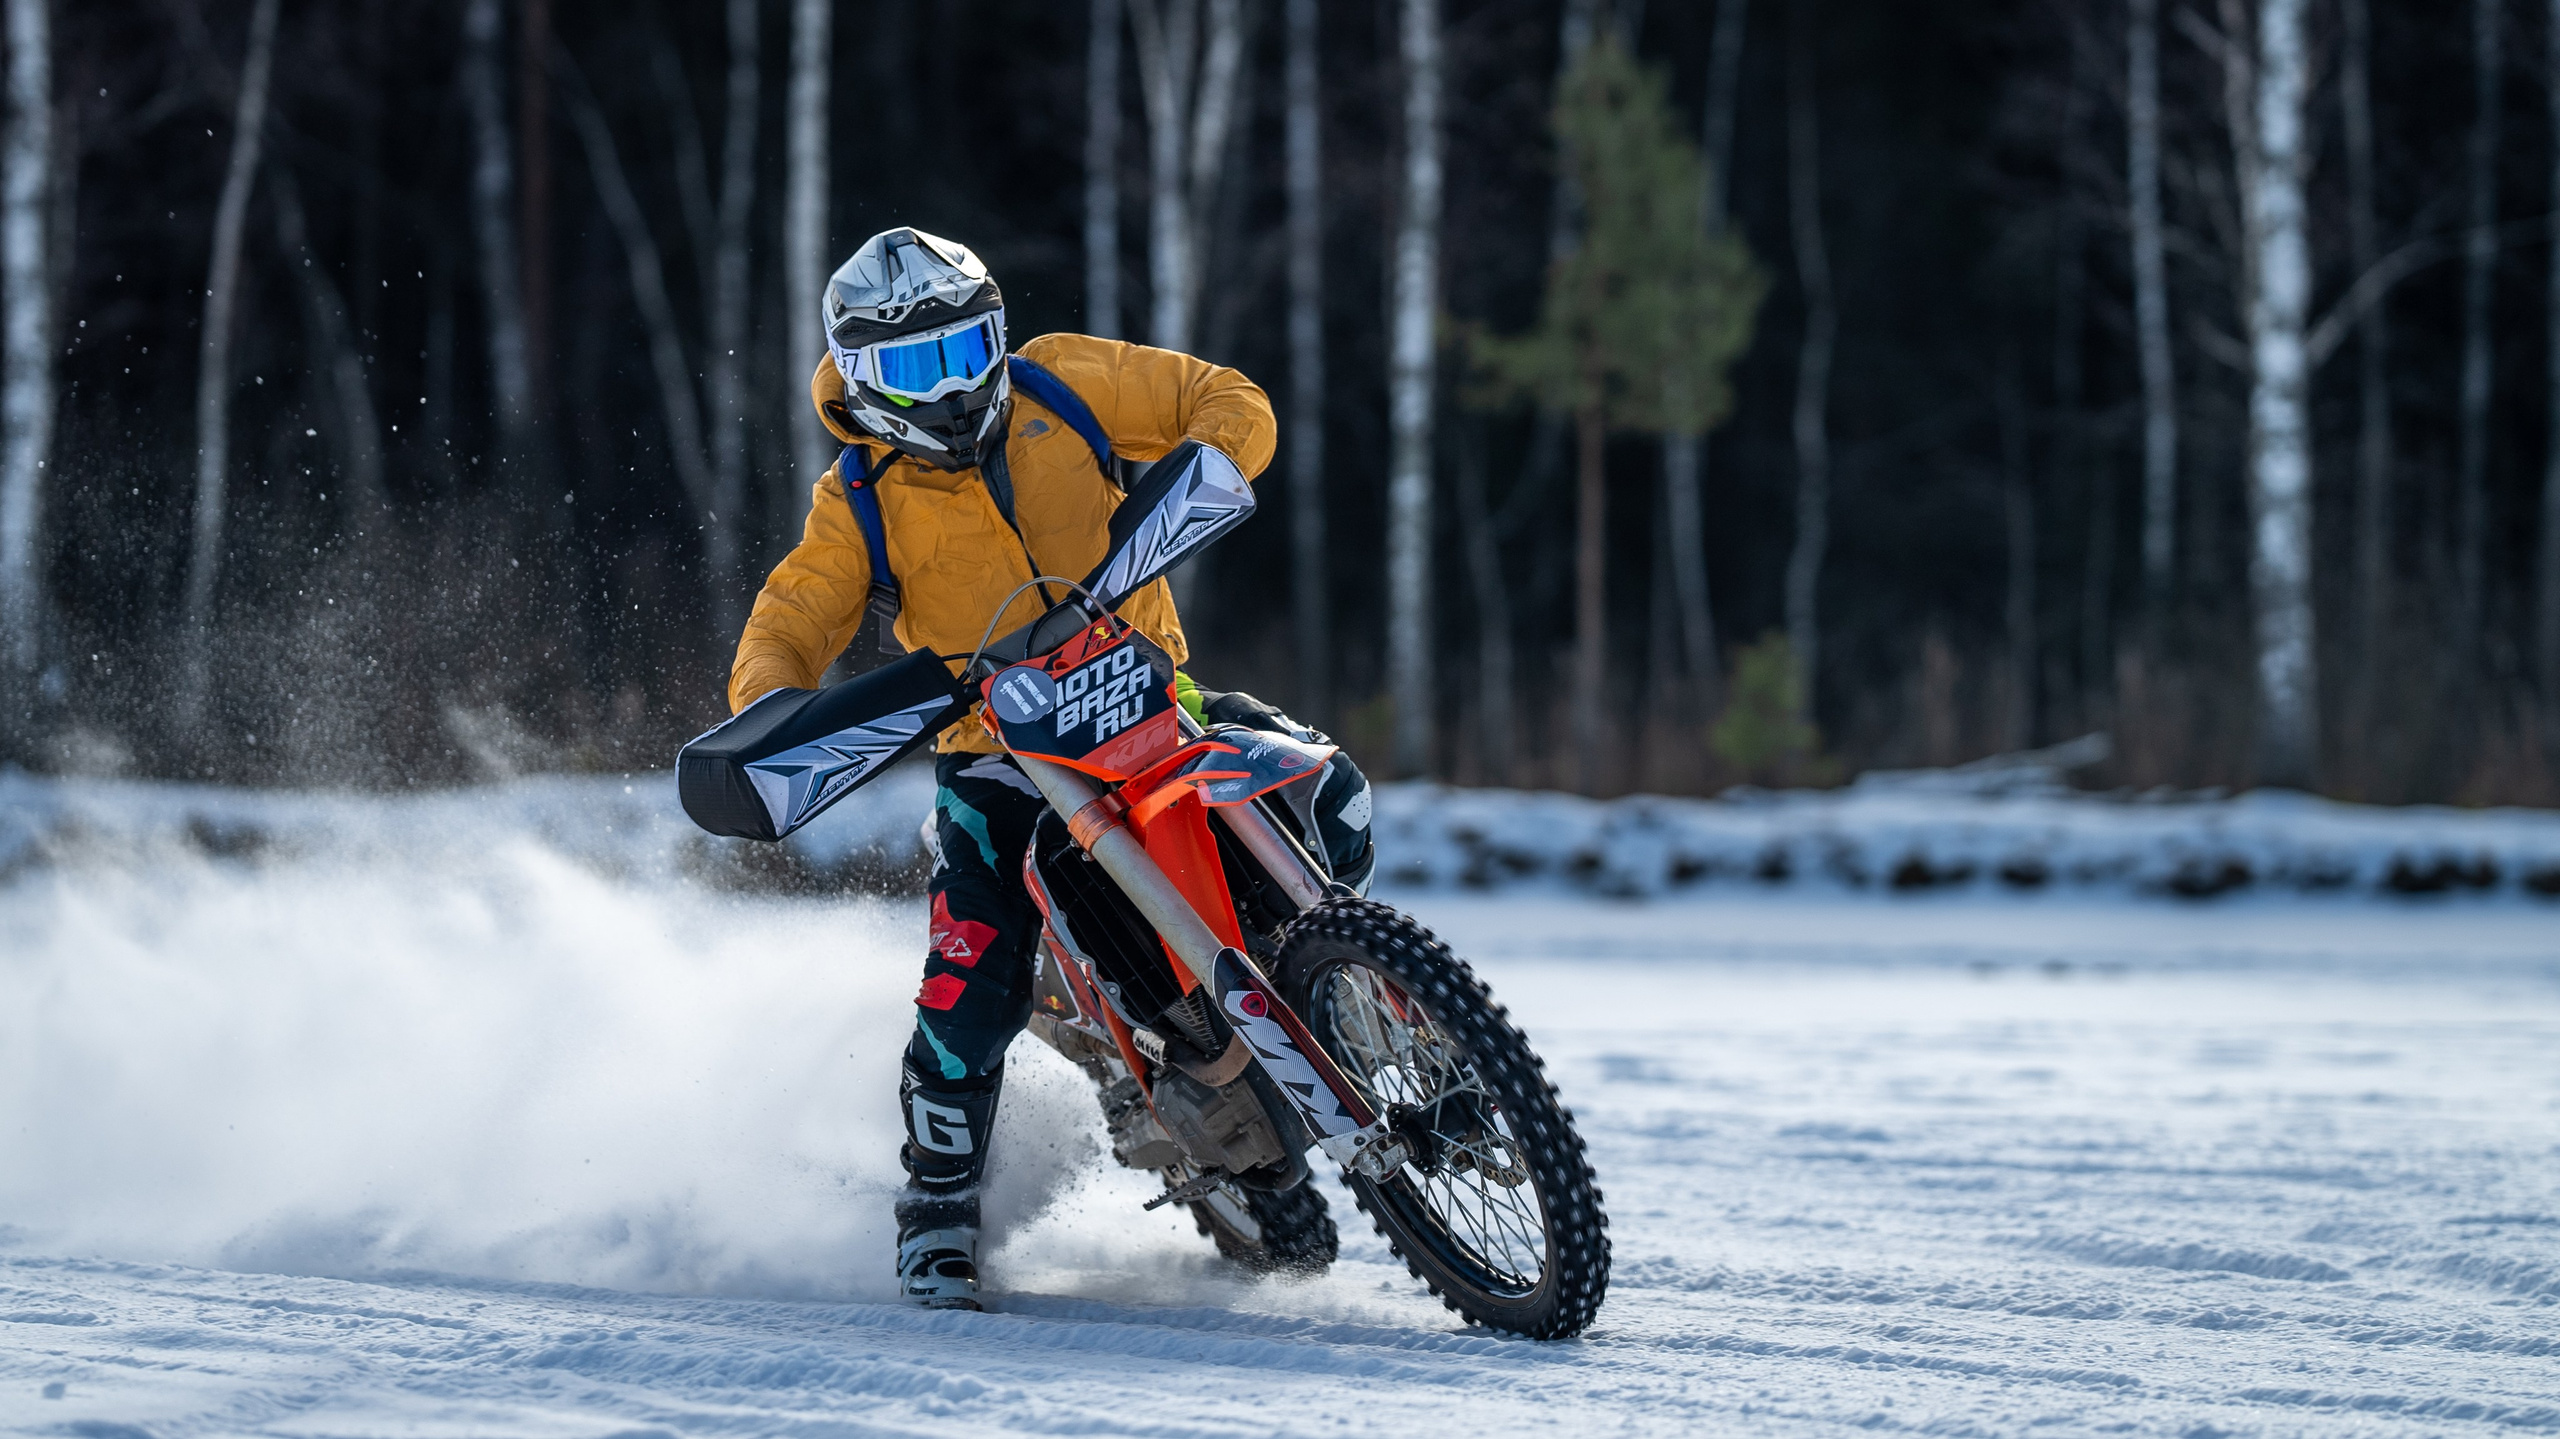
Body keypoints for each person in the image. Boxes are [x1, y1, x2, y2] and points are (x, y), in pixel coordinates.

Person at [728, 228, 1374, 1310]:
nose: (954, 383)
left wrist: (1209, 460)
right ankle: (935, 1211)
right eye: (917, 368)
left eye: (967, 346)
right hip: (999, 757)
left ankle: (1359, 990)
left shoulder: (1065, 381)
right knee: (968, 977)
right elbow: (789, 617)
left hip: (1149, 693)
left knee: (1325, 791)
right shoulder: (860, 497)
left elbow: (1225, 396)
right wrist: (773, 710)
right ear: (862, 379)